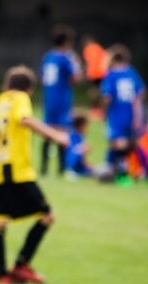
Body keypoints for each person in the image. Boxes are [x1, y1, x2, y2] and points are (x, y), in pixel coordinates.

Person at [0, 66, 69, 284]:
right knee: (47, 215)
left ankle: (3, 275)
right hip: (16, 169)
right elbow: (25, 119)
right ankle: (22, 265)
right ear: (29, 90)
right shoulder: (19, 98)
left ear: (5, 86)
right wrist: (56, 136)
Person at [39, 24, 80, 176]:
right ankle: (62, 168)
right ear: (67, 42)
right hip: (62, 98)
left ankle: (43, 167)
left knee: (47, 131)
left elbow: (43, 77)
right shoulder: (66, 57)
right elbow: (74, 78)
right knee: (62, 132)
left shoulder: (48, 56)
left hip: (49, 98)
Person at [100, 44, 146, 178]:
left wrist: (104, 110)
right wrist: (139, 115)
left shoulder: (111, 75)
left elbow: (107, 97)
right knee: (133, 143)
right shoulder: (131, 72)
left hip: (117, 114)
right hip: (132, 113)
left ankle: (115, 171)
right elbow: (140, 92)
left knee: (118, 143)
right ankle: (144, 170)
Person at [81, 34, 107, 117]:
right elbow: (105, 58)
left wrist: (85, 72)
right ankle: (101, 110)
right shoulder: (99, 48)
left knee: (93, 91)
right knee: (101, 91)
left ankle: (95, 109)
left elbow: (88, 62)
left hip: (93, 73)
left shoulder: (87, 49)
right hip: (102, 72)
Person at [64, 111, 94, 179]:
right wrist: (84, 148)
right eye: (86, 125)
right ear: (81, 126)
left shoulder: (79, 136)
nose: (88, 128)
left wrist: (87, 165)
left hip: (79, 166)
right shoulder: (74, 136)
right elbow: (74, 151)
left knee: (93, 170)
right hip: (72, 165)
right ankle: (70, 171)